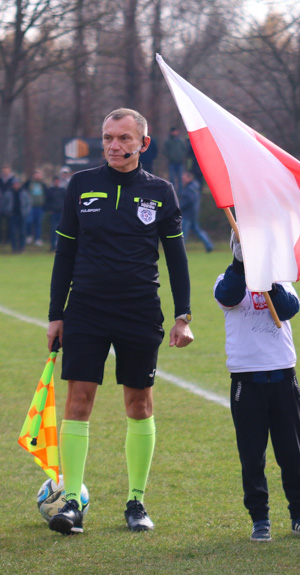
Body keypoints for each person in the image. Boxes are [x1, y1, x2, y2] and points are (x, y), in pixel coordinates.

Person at [45, 108, 194, 535]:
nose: (115, 145)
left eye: (125, 138)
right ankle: (71, 501)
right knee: (78, 400)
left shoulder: (161, 191)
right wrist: (57, 315)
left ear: (143, 144)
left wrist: (183, 315)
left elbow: (177, 260)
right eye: (109, 137)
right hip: (86, 310)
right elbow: (65, 254)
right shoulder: (81, 185)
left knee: (139, 403)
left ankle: (136, 502)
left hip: (139, 309)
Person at [214, 231, 300, 542]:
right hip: (247, 382)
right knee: (252, 454)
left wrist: (267, 278)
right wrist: (240, 263)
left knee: (291, 451)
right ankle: (259, 517)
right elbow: (229, 296)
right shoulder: (225, 280)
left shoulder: (282, 280)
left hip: (283, 379)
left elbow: (287, 309)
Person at [179, 171, 213, 252]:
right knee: (197, 230)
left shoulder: (189, 188)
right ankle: (209, 245)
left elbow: (189, 201)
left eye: (184, 178)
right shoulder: (194, 187)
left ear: (190, 178)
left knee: (183, 232)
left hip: (188, 214)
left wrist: (179, 207)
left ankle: (180, 249)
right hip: (193, 213)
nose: (182, 180)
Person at [3, 177, 30, 253]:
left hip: (21, 215)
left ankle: (22, 248)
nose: (16, 185)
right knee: (13, 232)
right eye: (14, 184)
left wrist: (25, 212)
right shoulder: (8, 193)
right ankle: (14, 248)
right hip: (12, 216)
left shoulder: (23, 193)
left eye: (17, 184)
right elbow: (4, 204)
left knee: (22, 232)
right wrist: (7, 212)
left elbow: (28, 204)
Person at [24, 169, 47, 246]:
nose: (37, 176)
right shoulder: (29, 183)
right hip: (30, 207)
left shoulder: (43, 185)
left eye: (39, 175)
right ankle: (29, 235)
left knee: (38, 223)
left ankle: (37, 239)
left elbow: (46, 195)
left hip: (39, 207)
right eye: (36, 174)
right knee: (29, 221)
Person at [45, 176, 66, 251]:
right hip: (53, 212)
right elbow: (47, 201)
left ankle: (61, 246)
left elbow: (66, 201)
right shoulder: (50, 191)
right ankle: (53, 246)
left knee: (62, 230)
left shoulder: (63, 190)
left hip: (61, 212)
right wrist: (49, 209)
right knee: (53, 229)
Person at [164, 126, 186, 192]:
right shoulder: (168, 142)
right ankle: (172, 192)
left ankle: (180, 192)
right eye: (173, 131)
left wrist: (182, 157)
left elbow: (184, 150)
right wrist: (170, 156)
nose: (175, 133)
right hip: (172, 162)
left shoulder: (180, 141)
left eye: (175, 131)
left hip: (180, 163)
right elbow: (165, 151)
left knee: (180, 178)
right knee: (172, 178)